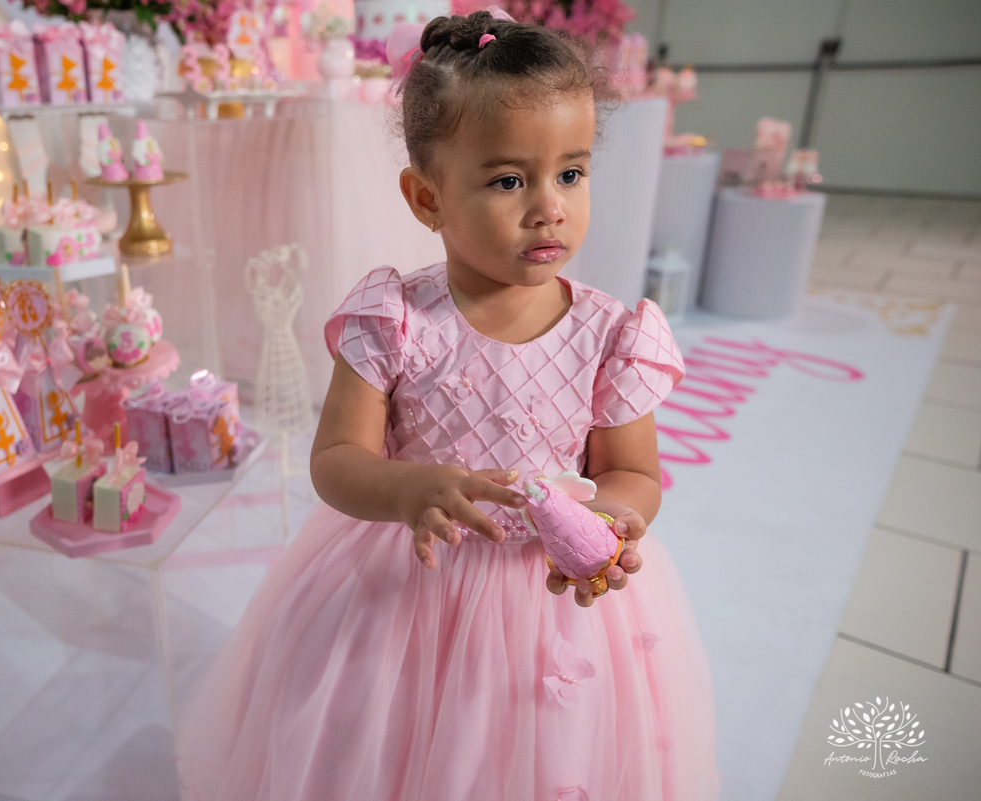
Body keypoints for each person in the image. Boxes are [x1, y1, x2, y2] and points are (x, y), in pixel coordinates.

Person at [177, 10, 721, 800]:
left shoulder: (611, 332)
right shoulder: (394, 320)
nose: (550, 207)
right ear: (425, 196)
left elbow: (634, 471)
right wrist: (408, 486)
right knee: (389, 748)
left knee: (540, 752)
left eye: (571, 173)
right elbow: (336, 462)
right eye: (509, 180)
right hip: (409, 584)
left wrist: (612, 521)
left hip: (553, 594)